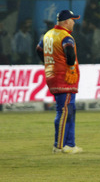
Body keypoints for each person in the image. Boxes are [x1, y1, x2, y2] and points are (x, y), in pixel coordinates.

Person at [36, 10, 83, 154]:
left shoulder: (48, 35)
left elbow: (39, 50)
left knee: (69, 110)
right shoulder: (66, 37)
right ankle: (60, 145)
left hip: (52, 75)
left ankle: (70, 144)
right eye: (73, 20)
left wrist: (50, 63)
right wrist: (68, 65)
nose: (74, 22)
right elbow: (70, 55)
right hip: (65, 77)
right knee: (64, 110)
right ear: (66, 21)